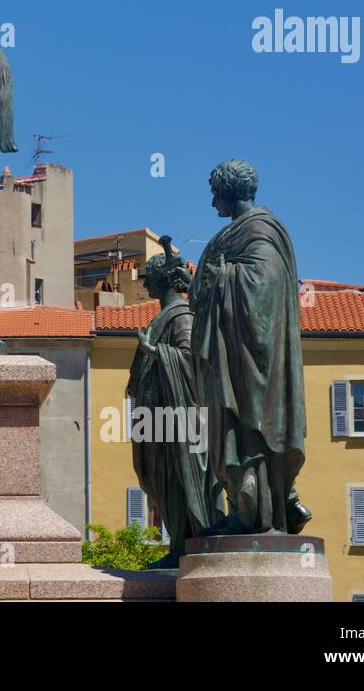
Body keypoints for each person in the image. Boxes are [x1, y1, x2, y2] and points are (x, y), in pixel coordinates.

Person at [189, 159, 312, 534]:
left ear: (227, 191)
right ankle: (245, 514)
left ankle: (261, 516)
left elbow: (264, 288)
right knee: (235, 433)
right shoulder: (235, 234)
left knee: (251, 433)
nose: (213, 204)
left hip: (256, 364)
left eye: (214, 194)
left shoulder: (260, 231)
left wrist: (222, 277)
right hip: (232, 357)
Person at [129, 242, 223, 566]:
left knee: (180, 486)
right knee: (164, 486)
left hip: (182, 425)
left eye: (150, 277)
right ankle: (179, 548)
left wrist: (155, 353)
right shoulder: (164, 318)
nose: (145, 284)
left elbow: (191, 362)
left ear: (165, 280)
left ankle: (187, 548)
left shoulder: (182, 317)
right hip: (160, 423)